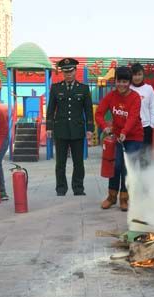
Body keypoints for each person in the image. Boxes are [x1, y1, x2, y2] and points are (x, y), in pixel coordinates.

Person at [95, 66, 143, 211]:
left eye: (124, 81)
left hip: (134, 137)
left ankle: (124, 198)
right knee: (115, 165)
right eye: (118, 81)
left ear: (129, 82)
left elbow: (133, 117)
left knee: (126, 168)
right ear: (114, 81)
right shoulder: (111, 96)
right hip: (117, 137)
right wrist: (105, 127)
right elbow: (99, 113)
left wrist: (125, 132)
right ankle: (111, 197)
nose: (121, 84)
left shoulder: (135, 97)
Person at [46, 58, 94, 196]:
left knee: (78, 163)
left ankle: (78, 188)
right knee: (60, 164)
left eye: (71, 71)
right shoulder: (56, 88)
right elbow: (50, 109)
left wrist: (90, 129)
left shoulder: (84, 89)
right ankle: (61, 189)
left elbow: (88, 110)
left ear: (75, 71)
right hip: (60, 130)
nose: (68, 74)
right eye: (65, 71)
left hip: (77, 131)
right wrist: (49, 127)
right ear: (62, 73)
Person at [130, 63, 154, 167]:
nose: (137, 77)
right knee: (131, 158)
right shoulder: (128, 88)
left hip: (145, 128)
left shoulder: (149, 89)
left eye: (139, 74)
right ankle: (130, 182)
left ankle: (145, 182)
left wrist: (151, 125)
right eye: (134, 74)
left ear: (143, 75)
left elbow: (153, 108)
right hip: (130, 130)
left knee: (145, 159)